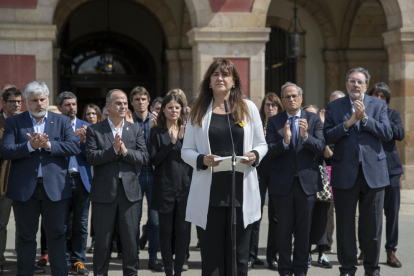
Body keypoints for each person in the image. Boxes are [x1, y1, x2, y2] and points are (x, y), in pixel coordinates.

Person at [181, 59, 267, 276]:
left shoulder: (248, 108)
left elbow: (262, 144)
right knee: (212, 259)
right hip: (210, 195)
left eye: (226, 74)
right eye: (216, 74)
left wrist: (254, 155)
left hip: (241, 193)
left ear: (234, 81)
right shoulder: (199, 110)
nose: (220, 78)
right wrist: (202, 159)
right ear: (209, 81)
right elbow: (186, 150)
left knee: (238, 259)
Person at [1, 81, 80, 275]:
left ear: (48, 99)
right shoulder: (15, 122)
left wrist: (48, 146)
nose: (39, 104)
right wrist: (30, 146)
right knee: (26, 237)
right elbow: (6, 150)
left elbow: (73, 147)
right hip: (24, 188)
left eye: (43, 99)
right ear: (27, 101)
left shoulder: (61, 121)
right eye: (34, 100)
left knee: (57, 235)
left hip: (55, 188)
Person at [323, 68, 393, 276]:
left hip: (373, 173)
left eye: (359, 82)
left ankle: (372, 269)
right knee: (345, 226)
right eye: (351, 81)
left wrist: (365, 119)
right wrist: (348, 123)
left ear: (365, 86)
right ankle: (347, 268)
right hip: (345, 172)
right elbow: (326, 136)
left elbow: (388, 133)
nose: (355, 85)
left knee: (372, 227)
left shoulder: (378, 105)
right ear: (346, 84)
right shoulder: (335, 107)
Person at [85, 89, 149, 276]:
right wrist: (112, 150)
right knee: (103, 243)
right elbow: (91, 157)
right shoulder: (95, 130)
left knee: (130, 242)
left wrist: (125, 152)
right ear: (108, 106)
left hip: (130, 193)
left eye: (124, 103)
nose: (123, 106)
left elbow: (144, 157)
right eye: (118, 103)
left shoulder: (135, 129)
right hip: (104, 193)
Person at [266, 82, 325, 276]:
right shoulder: (275, 122)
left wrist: (305, 136)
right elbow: (268, 152)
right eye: (287, 96)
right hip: (282, 185)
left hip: (306, 184)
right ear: (282, 101)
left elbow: (320, 147)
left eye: (294, 96)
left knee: (303, 231)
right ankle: (284, 270)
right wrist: (284, 141)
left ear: (301, 98)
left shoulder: (313, 119)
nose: (291, 99)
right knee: (282, 231)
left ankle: (300, 270)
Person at [357, 83, 403, 268]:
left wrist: (381, 119)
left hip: (390, 170)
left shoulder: (392, 115)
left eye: (383, 97)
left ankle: (391, 251)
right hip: (369, 170)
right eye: (376, 95)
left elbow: (398, 133)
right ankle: (364, 250)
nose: (379, 99)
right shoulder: (362, 114)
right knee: (366, 214)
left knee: (391, 213)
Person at [149, 94, 192, 276]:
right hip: (163, 188)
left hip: (184, 188)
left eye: (177, 107)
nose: (174, 111)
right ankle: (168, 271)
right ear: (163, 110)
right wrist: (171, 143)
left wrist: (181, 141)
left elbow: (190, 159)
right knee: (165, 232)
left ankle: (178, 271)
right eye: (170, 107)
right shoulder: (156, 132)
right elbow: (154, 160)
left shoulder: (188, 129)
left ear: (181, 110)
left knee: (183, 232)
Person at [56, 92, 92, 275]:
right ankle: (62, 260)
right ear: (60, 107)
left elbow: (92, 157)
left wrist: (84, 143)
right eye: (67, 105)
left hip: (81, 179)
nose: (71, 108)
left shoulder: (86, 126)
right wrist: (71, 141)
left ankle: (78, 261)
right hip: (60, 180)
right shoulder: (54, 126)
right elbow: (51, 152)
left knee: (81, 223)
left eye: (74, 104)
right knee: (60, 224)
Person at [130, 86, 164, 272]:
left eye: (143, 99)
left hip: (154, 173)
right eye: (136, 99)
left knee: (155, 220)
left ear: (148, 102)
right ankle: (133, 257)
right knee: (134, 220)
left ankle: (153, 257)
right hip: (134, 175)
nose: (140, 102)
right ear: (132, 102)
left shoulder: (158, 121)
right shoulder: (127, 122)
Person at [248, 92, 283, 271]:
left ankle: (273, 257)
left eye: (274, 105)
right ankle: (251, 256)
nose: (270, 108)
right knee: (255, 215)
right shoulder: (257, 125)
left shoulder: (283, 126)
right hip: (259, 173)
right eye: (268, 105)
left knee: (275, 217)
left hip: (277, 173)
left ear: (279, 108)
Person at [303, 105, 332, 269]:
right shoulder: (299, 131)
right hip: (303, 178)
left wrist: (322, 128)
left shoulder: (322, 132)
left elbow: (328, 154)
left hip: (320, 178)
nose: (311, 118)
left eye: (313, 115)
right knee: (305, 217)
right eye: (307, 114)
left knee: (322, 216)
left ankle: (322, 253)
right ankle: (305, 253)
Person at [0, 87, 22, 274]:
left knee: (25, 224)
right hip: (3, 181)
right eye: (12, 102)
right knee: (1, 223)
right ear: (3, 103)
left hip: (25, 181)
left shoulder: (26, 122)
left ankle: (23, 259)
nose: (16, 105)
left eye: (18, 101)